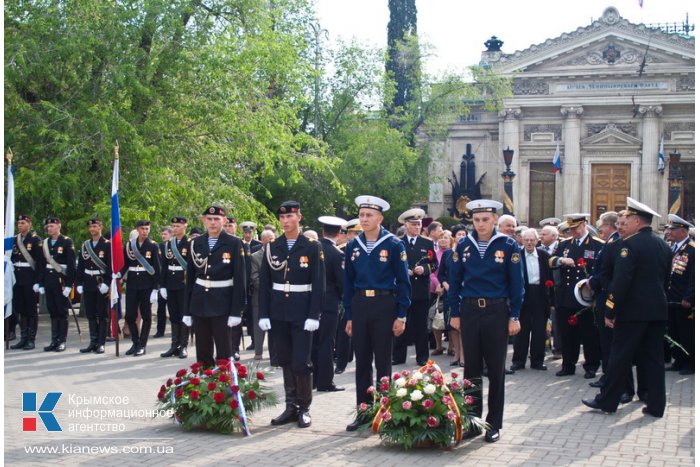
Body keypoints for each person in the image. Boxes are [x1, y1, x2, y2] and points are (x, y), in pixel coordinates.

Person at [582, 198, 672, 418]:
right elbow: (666, 278)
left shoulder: (628, 246)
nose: (624, 225)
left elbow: (621, 282)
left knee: (619, 357)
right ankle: (656, 404)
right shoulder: (662, 244)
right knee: (653, 359)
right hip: (657, 311)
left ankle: (607, 401)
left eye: (627, 220)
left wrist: (610, 311)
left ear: (637, 221)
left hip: (632, 313)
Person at [448, 200, 523, 443]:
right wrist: (455, 313)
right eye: (476, 220)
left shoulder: (508, 244)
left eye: (485, 220)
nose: (480, 224)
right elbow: (455, 280)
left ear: (494, 220)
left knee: (496, 368)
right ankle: (472, 421)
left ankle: (493, 424)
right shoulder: (463, 244)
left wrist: (515, 316)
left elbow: (516, 284)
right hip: (470, 311)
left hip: (497, 311)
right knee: (471, 369)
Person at [344, 195, 411, 432]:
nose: (364, 219)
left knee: (383, 362)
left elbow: (404, 282)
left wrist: (401, 314)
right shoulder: (352, 245)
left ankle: (384, 414)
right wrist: (350, 315)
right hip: (361, 305)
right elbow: (348, 283)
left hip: (385, 305)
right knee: (361, 361)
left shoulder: (393, 244)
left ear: (380, 218)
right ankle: (363, 412)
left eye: (369, 215)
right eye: (361, 215)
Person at [259, 201, 324, 429]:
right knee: (285, 359)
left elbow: (318, 283)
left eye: (290, 217)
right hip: (279, 311)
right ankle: (290, 406)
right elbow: (265, 283)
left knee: (301, 362)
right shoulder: (272, 246)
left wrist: (314, 314)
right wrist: (264, 313)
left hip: (302, 311)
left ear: (299, 217)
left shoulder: (312, 246)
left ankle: (304, 407)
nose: (286, 221)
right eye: (282, 218)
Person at [183, 206, 246, 368]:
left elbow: (240, 279)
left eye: (216, 219)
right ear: (203, 220)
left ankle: (224, 386)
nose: (212, 223)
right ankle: (205, 385)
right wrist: (186, 310)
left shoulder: (234, 243)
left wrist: (236, 311)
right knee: (202, 350)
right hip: (200, 302)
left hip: (223, 302)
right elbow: (190, 279)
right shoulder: (195, 243)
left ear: (224, 221)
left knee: (224, 350)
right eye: (209, 219)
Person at [548, 213, 603, 378]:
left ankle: (591, 365)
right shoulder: (564, 244)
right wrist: (560, 261)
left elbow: (602, 269)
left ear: (584, 225)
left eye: (576, 228)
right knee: (567, 334)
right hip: (566, 297)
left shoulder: (596, 244)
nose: (573, 231)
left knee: (589, 334)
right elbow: (550, 260)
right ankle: (568, 365)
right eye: (571, 228)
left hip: (586, 298)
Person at [393, 208, 437, 366]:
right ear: (406, 225)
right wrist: (404, 271)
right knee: (400, 322)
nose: (417, 227)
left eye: (419, 224)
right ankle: (398, 356)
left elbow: (434, 264)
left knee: (420, 326)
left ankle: (422, 357)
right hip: (402, 290)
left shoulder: (427, 242)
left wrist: (424, 269)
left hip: (420, 290)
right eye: (413, 224)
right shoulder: (398, 242)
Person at [312, 216, 346, 392]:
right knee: (327, 343)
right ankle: (325, 382)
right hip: (330, 303)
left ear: (322, 232)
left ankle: (314, 380)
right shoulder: (337, 253)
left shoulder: (312, 249)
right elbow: (342, 282)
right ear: (339, 233)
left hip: (311, 303)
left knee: (314, 342)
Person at [511, 228, 552, 371]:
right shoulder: (517, 255)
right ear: (522, 240)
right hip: (523, 295)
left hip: (540, 295)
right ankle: (518, 361)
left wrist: (551, 300)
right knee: (522, 331)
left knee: (539, 330)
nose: (529, 243)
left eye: (532, 240)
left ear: (537, 241)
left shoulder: (544, 255)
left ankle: (537, 361)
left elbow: (550, 277)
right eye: (526, 240)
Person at [118, 220, 161, 356]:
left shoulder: (153, 246)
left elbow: (157, 268)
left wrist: (156, 288)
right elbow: (126, 263)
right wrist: (118, 274)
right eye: (142, 229)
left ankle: (142, 344)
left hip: (147, 284)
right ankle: (135, 343)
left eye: (147, 229)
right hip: (132, 283)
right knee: (130, 315)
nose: (145, 231)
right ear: (137, 229)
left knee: (146, 315)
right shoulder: (130, 245)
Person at [39, 217, 76, 352]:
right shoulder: (45, 243)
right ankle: (54, 340)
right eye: (48, 226)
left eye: (52, 226)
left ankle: (62, 340)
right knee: (52, 311)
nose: (49, 228)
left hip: (61, 281)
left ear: (58, 226)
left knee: (62, 312)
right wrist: (41, 283)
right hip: (49, 281)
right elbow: (41, 264)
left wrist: (69, 285)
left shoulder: (66, 242)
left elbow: (71, 265)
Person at [76, 218, 112, 354]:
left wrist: (107, 283)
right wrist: (79, 282)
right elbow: (80, 265)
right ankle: (93, 341)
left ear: (100, 227)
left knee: (102, 314)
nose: (92, 229)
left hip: (100, 281)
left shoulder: (107, 245)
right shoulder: (85, 245)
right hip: (88, 281)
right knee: (90, 314)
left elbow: (110, 266)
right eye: (91, 227)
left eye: (95, 226)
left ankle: (101, 343)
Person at [664, 214, 695, 375]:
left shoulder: (692, 249)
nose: (670, 232)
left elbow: (694, 277)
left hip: (684, 300)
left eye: (673, 229)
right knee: (673, 330)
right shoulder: (671, 248)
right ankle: (678, 360)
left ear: (683, 231)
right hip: (671, 298)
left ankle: (690, 362)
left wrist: (689, 298)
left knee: (687, 332)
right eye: (669, 229)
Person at [10, 215, 43, 350]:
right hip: (17, 278)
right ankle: (23, 338)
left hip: (30, 278)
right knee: (21, 309)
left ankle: (31, 339)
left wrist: (38, 281)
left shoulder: (35, 240)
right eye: (18, 223)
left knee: (30, 310)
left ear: (29, 224)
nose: (20, 225)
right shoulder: (15, 239)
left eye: (23, 223)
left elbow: (40, 263)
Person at [159, 217, 190, 359]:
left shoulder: (190, 243)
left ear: (185, 227)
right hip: (171, 283)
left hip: (183, 282)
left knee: (184, 315)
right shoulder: (168, 244)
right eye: (174, 226)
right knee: (173, 315)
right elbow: (164, 266)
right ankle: (174, 345)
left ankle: (183, 346)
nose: (175, 228)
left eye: (178, 226)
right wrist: (163, 285)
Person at [249, 230, 276, 360]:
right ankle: (258, 352)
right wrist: (269, 288)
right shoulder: (255, 256)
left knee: (275, 327)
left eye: (273, 238)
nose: (271, 241)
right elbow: (254, 277)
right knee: (258, 326)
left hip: (276, 297)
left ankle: (274, 355)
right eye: (268, 238)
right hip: (259, 296)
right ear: (262, 240)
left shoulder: (278, 254)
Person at [154, 226, 172, 338]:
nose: (163, 236)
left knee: (173, 308)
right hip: (161, 280)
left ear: (171, 234)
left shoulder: (174, 246)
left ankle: (177, 330)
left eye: (165, 234)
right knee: (161, 308)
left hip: (172, 280)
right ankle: (160, 330)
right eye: (162, 234)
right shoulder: (159, 247)